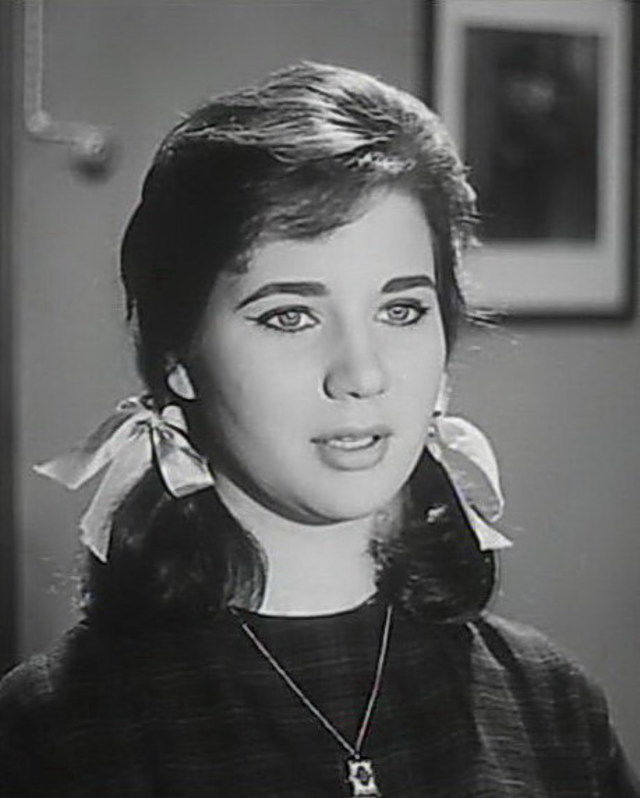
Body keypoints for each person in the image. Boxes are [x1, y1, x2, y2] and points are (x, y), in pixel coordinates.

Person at [0, 62, 637, 797]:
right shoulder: (55, 736)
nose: (361, 374)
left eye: (401, 310)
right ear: (178, 358)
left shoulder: (550, 707)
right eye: (290, 316)